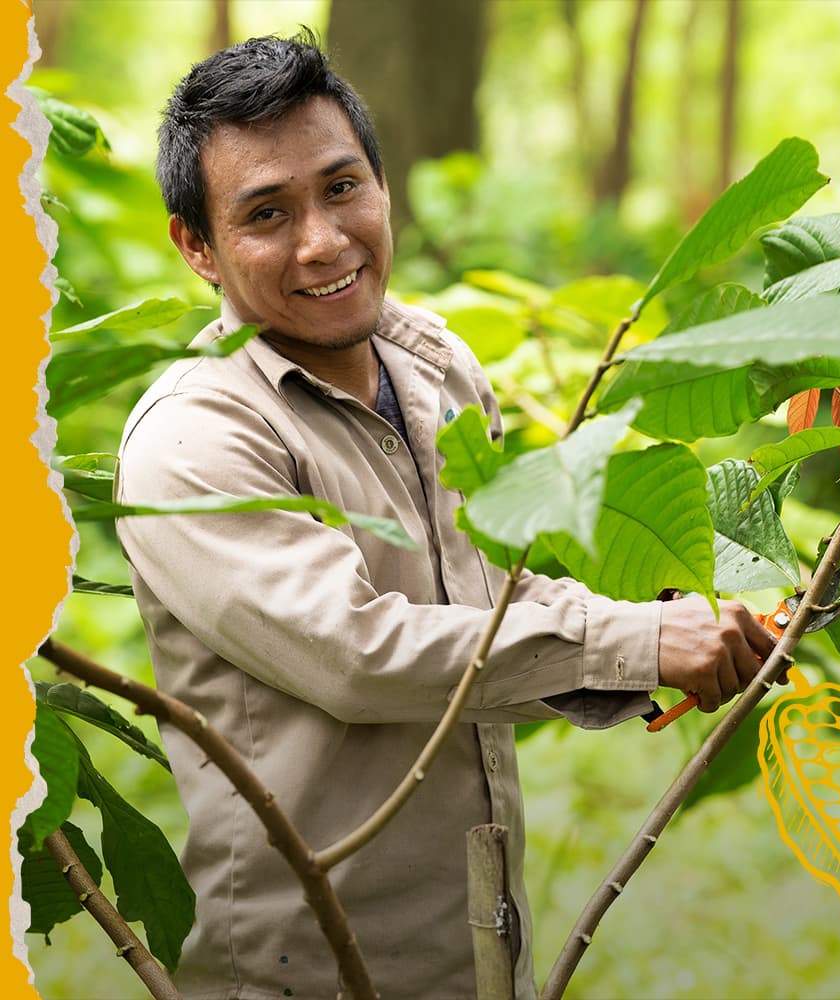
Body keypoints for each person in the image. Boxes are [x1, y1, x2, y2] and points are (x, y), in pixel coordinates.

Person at [115, 28, 775, 1000]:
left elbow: (486, 593)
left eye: (342, 188)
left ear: (383, 185)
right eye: (266, 213)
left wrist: (678, 622)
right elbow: (356, 651)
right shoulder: (190, 437)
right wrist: (634, 641)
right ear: (197, 247)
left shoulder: (435, 366)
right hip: (306, 972)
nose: (323, 241)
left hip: (476, 946)